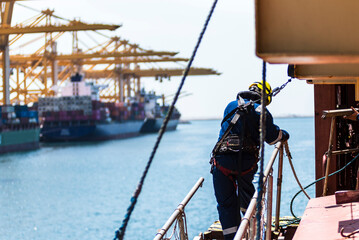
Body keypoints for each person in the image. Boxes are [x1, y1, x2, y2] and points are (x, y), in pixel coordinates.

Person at [211, 81, 290, 240]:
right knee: (249, 204)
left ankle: (232, 237)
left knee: (226, 206)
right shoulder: (262, 111)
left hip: (221, 163)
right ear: (265, 97)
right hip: (245, 165)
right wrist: (284, 134)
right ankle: (254, 234)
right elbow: (273, 137)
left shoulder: (231, 105)